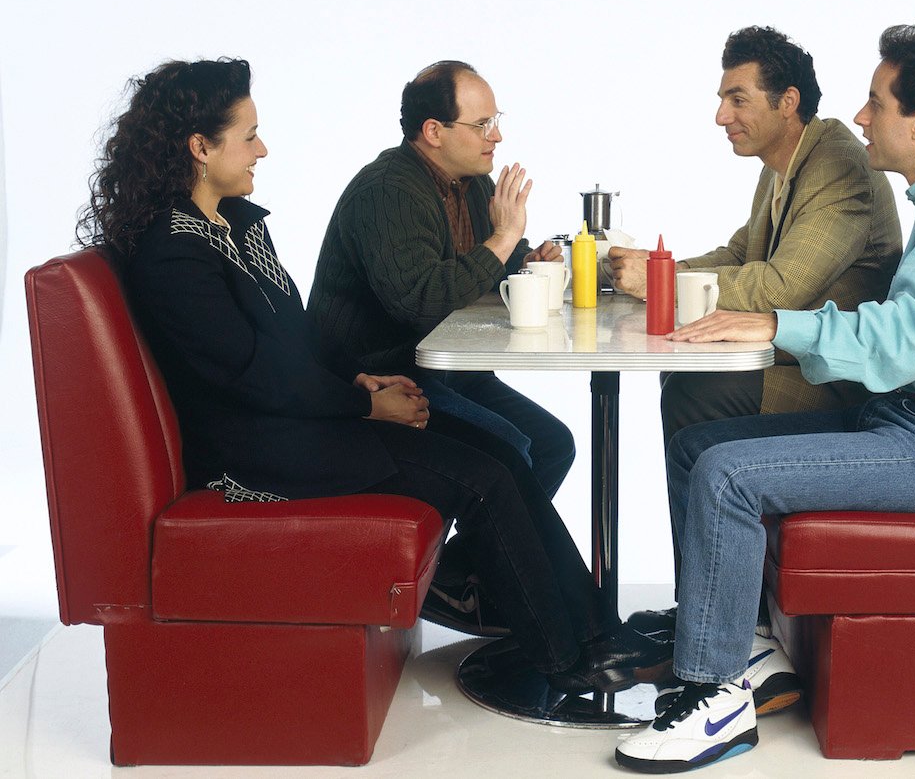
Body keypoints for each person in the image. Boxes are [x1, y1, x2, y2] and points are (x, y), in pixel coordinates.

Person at [76, 58, 669, 700]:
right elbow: (250, 376)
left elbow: (293, 346)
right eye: (248, 136)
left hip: (306, 417)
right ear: (200, 147)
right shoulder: (173, 250)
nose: (263, 149)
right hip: (258, 452)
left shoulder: (237, 225)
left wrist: (361, 383)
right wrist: (365, 406)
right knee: (487, 476)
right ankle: (564, 658)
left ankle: (595, 632)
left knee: (502, 453)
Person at [615, 25, 915, 772]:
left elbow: (911, 338)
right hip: (913, 423)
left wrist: (777, 322)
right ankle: (741, 642)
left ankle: (713, 696)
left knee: (728, 473)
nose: (859, 116)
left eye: (876, 102)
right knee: (699, 447)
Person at [612, 26, 903, 636]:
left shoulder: (840, 166)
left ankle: (714, 619)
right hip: (790, 360)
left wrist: (659, 285)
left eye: (738, 99)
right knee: (684, 382)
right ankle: (705, 609)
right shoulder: (783, 164)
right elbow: (741, 253)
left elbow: (777, 289)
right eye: (723, 99)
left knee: (694, 392)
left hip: (834, 379)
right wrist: (651, 272)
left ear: (787, 102)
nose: (722, 115)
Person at [309, 61, 575, 634]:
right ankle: (525, 599)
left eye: (496, 121)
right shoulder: (389, 191)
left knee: (553, 444)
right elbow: (423, 301)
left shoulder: (470, 182)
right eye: (482, 125)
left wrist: (527, 259)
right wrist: (503, 241)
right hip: (381, 379)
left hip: (448, 367)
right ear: (434, 131)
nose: (496, 136)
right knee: (514, 447)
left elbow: (486, 264)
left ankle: (458, 580)